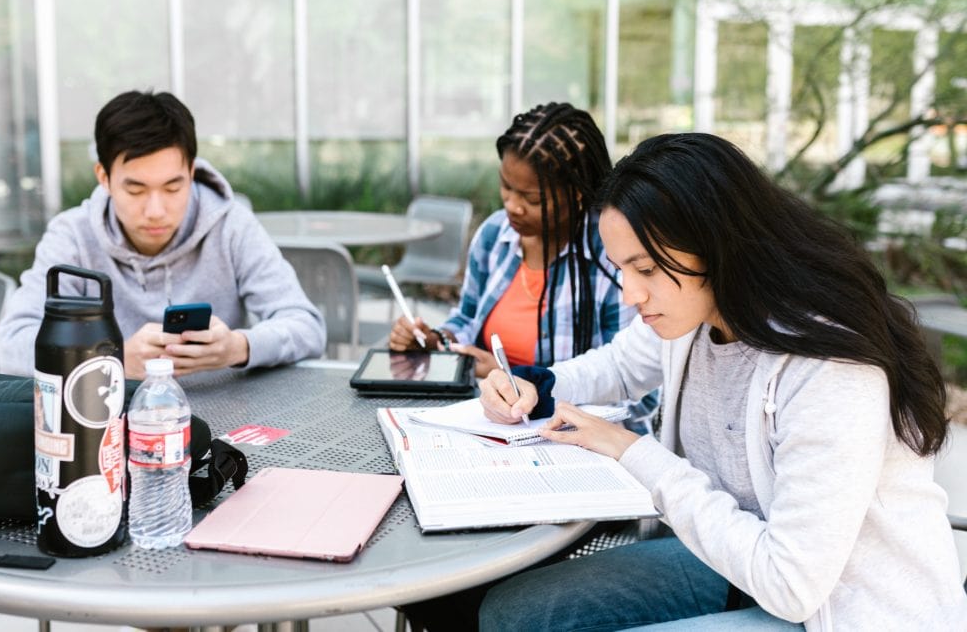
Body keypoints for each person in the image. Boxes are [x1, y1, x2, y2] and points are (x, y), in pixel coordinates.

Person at [475, 132, 967, 630]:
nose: (629, 294)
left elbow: (791, 586)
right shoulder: (698, 313)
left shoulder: (827, 368)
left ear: (715, 246)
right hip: (740, 562)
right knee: (510, 614)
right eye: (621, 268)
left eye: (644, 268)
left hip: (839, 610)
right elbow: (619, 366)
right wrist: (537, 384)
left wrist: (633, 452)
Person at [0, 90, 325, 380]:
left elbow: (307, 326)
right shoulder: (72, 237)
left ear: (192, 172)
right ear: (104, 177)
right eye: (136, 189)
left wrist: (239, 347)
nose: (156, 210)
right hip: (108, 425)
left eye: (173, 187)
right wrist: (111, 360)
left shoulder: (231, 226)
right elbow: (11, 345)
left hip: (225, 419)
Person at [389, 101, 657, 427]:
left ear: (575, 193)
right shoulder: (494, 236)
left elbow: (637, 391)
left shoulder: (611, 255)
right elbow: (467, 320)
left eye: (531, 199)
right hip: (490, 421)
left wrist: (519, 381)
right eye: (506, 187)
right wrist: (436, 341)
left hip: (577, 439)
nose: (512, 207)